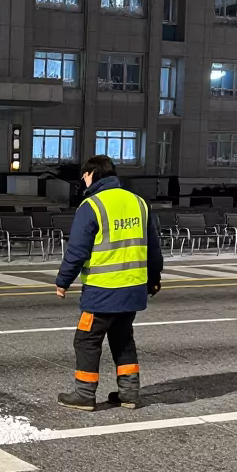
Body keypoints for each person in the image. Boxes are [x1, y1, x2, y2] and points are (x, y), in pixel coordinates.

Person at [54, 155, 163, 411]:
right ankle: (129, 393)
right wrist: (154, 279)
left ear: (91, 174)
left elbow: (78, 250)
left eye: (83, 177)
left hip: (102, 290)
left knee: (86, 340)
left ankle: (84, 393)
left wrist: (63, 281)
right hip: (133, 289)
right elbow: (154, 248)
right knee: (123, 339)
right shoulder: (139, 203)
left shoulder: (92, 205)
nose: (82, 181)